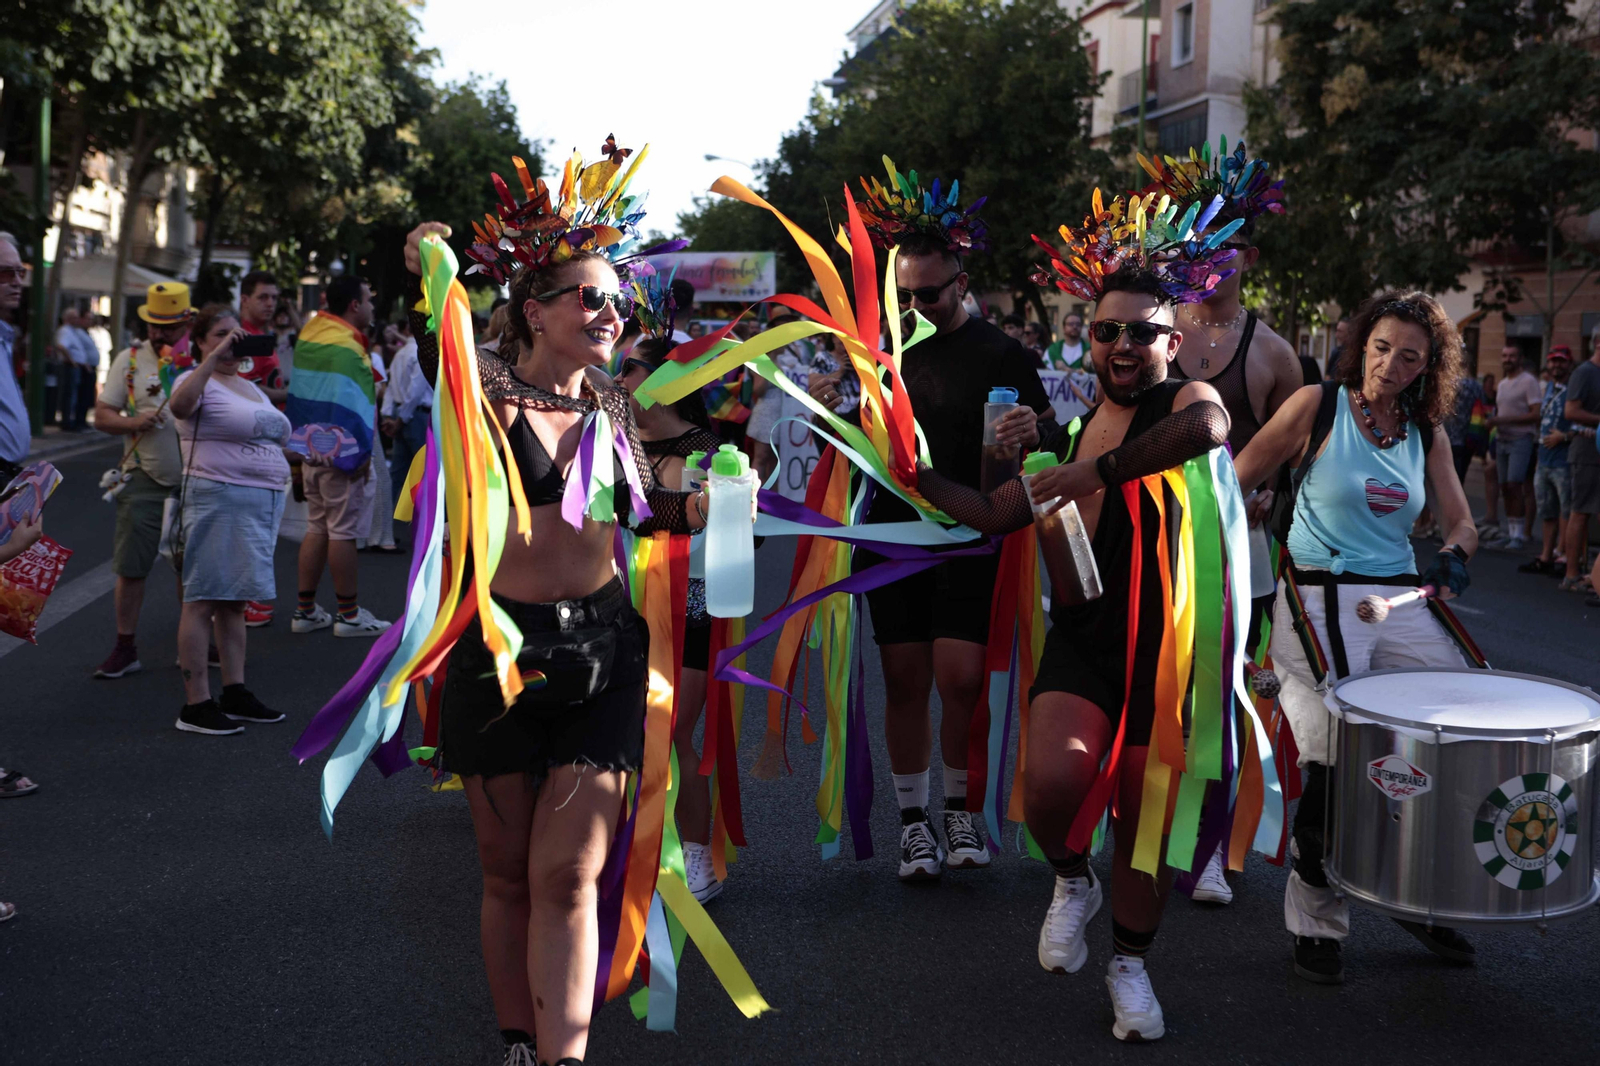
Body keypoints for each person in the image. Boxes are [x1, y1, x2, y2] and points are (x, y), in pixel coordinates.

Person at [404, 151, 710, 1061]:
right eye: (589, 298)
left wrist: (707, 502)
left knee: (571, 878)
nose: (611, 314)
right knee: (507, 877)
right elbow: (444, 353)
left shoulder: (613, 404)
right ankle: (518, 1040)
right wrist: (433, 273)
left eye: (617, 301)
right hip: (501, 658)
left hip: (605, 655)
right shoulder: (485, 393)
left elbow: (648, 510)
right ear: (534, 311)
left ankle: (561, 1057)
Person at [915, 223, 1239, 1041]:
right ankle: (1071, 879)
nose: (1123, 345)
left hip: (1166, 651)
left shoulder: (1181, 402)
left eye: (1142, 333)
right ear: (1089, 338)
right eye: (1107, 330)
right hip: (1084, 638)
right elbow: (995, 514)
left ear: (1172, 342)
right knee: (1052, 787)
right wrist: (914, 473)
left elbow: (1208, 431)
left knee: (1141, 820)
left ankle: (1129, 965)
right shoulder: (1065, 431)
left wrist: (1093, 471)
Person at [1234, 290, 1480, 986]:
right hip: (1315, 594)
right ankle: (1317, 921)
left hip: (1397, 597)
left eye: (1410, 358)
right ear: (1360, 343)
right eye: (1381, 348)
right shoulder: (1316, 406)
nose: (1390, 366)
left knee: (1455, 731)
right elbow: (1234, 478)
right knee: (1332, 755)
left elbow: (1463, 523)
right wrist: (1240, 519)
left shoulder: (1426, 433)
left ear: (1428, 367)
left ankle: (1416, 893)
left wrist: (1454, 554)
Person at [814, 162, 1050, 879]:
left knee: (963, 678)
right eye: (905, 294)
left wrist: (1032, 430)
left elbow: (1049, 434)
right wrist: (833, 404)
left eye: (930, 293)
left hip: (971, 532)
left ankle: (961, 810)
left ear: (961, 284)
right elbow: (853, 438)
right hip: (891, 536)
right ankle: (915, 825)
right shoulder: (880, 352)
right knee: (905, 678)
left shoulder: (1002, 352)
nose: (916, 306)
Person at [1141, 139, 1298, 903]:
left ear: (1250, 255)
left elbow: (1298, 454)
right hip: (1150, 545)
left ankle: (1207, 845)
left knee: (1224, 695)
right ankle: (1145, 827)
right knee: (1152, 689)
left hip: (1237, 557)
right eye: (1195, 245)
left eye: (1222, 247)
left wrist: (1272, 493)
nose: (1206, 261)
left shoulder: (1273, 354)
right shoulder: (1151, 333)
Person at [617, 338, 725, 901]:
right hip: (618, 607)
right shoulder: (611, 441)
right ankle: (635, 852)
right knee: (624, 731)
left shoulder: (707, 449)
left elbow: (734, 534)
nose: (618, 379)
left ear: (663, 382)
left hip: (690, 610)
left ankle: (697, 855)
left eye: (628, 369)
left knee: (675, 729)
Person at [167, 304, 293, 736]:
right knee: (203, 598)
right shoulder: (193, 379)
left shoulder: (249, 387)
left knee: (235, 601)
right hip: (218, 497)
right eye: (220, 334)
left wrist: (307, 452)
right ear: (201, 342)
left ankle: (234, 691)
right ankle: (196, 704)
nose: (231, 342)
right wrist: (212, 359)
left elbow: (267, 437)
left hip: (259, 502)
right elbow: (179, 407)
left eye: (236, 334)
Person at [91, 283, 194, 679]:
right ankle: (125, 646)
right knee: (131, 567)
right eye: (153, 324)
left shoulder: (201, 360)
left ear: (187, 324)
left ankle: (195, 645)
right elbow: (103, 416)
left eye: (169, 326)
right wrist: (134, 421)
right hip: (144, 477)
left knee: (192, 570)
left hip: (197, 480)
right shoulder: (130, 360)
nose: (159, 333)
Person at [286, 275, 391, 638]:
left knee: (317, 527)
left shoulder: (312, 333)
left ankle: (305, 611)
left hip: (312, 450)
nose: (372, 307)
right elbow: (352, 405)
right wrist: (357, 455)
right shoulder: (346, 345)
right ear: (354, 305)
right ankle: (348, 616)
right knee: (342, 532)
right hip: (340, 455)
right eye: (369, 300)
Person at [1520, 345, 1574, 576]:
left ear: (1569, 363)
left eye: (1561, 361)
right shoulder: (1549, 387)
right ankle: (1546, 555)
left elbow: (1584, 423)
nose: (1556, 365)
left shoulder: (1574, 388)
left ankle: (1565, 555)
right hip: (1544, 457)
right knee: (1547, 509)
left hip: (1564, 459)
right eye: (1553, 361)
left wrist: (1565, 436)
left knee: (1567, 510)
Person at [1489, 345, 1541, 549]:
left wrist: (1502, 420)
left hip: (1521, 439)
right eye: (1504, 356)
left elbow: (1536, 414)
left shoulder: (1529, 381)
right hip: (1501, 440)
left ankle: (1519, 535)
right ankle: (1510, 532)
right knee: (1504, 487)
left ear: (1520, 358)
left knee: (1515, 484)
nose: (1507, 359)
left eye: (1512, 356)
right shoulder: (1502, 384)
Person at [1562, 330, 1600, 599]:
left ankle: (1592, 575)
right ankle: (1571, 574)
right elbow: (1571, 411)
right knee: (1580, 512)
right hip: (1585, 453)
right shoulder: (1585, 373)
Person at [380, 316, 431, 509]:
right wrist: (400, 419)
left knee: (399, 473)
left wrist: (389, 417)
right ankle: (421, 519)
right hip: (415, 416)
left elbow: (391, 388)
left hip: (401, 415)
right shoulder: (421, 353)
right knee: (424, 472)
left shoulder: (400, 354)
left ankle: (392, 521)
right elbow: (415, 392)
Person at [55, 307, 101, 431]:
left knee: (75, 395)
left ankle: (74, 421)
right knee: (71, 395)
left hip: (80, 367)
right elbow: (61, 346)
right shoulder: (66, 331)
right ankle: (68, 422)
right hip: (71, 367)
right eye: (74, 318)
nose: (77, 320)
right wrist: (73, 361)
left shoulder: (74, 332)